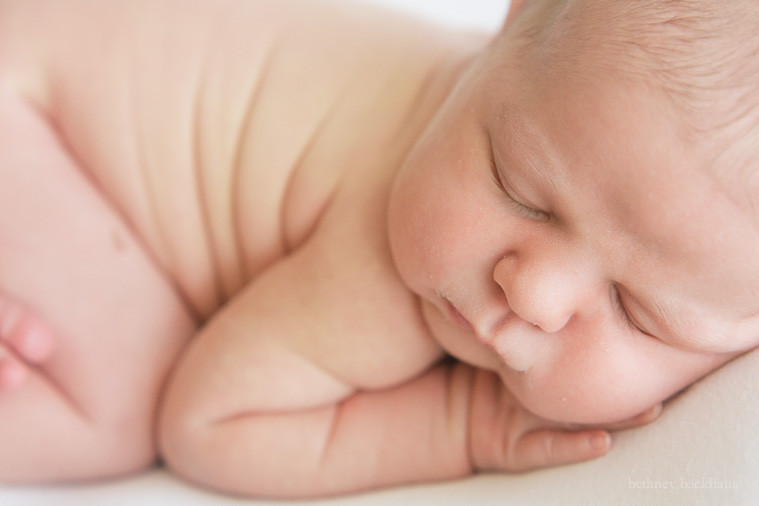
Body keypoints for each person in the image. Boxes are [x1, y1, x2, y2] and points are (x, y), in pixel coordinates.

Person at [0, 0, 757, 498]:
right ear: (503, 33)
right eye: (517, 188)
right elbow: (207, 425)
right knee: (122, 403)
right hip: (27, 111)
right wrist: (460, 424)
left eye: (637, 309)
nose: (532, 293)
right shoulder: (382, 267)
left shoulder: (557, 102)